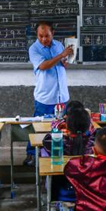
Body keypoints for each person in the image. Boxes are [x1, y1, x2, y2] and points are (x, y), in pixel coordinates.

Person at [25, 21, 74, 165]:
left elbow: (62, 62)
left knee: (61, 128)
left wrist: (65, 62)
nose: (43, 39)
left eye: (47, 36)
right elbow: (43, 65)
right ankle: (31, 154)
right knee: (38, 128)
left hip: (61, 96)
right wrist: (61, 55)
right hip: (45, 97)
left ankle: (56, 152)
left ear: (53, 33)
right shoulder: (34, 49)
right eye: (40, 36)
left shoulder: (58, 45)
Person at [42, 108, 95, 202]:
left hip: (62, 190)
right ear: (89, 126)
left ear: (67, 125)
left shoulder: (57, 143)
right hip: (89, 191)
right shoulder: (94, 143)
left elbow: (47, 139)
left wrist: (59, 128)